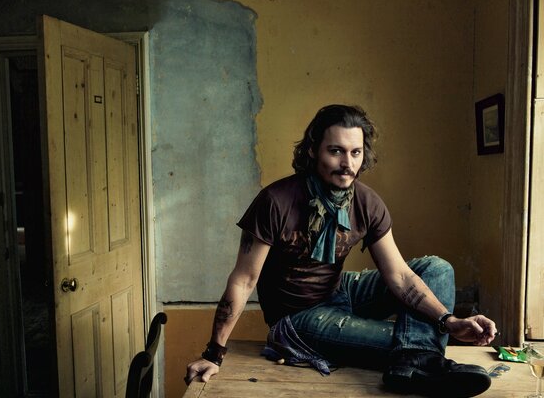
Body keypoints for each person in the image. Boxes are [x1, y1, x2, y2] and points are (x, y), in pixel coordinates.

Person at [185, 104, 497, 397]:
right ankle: (420, 360)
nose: (348, 164)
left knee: (436, 269)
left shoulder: (366, 201)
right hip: (298, 318)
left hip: (339, 290)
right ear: (313, 150)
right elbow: (243, 281)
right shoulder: (275, 201)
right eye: (336, 151)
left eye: (355, 152)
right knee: (403, 339)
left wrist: (448, 321)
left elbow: (400, 276)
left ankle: (414, 361)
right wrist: (214, 353)